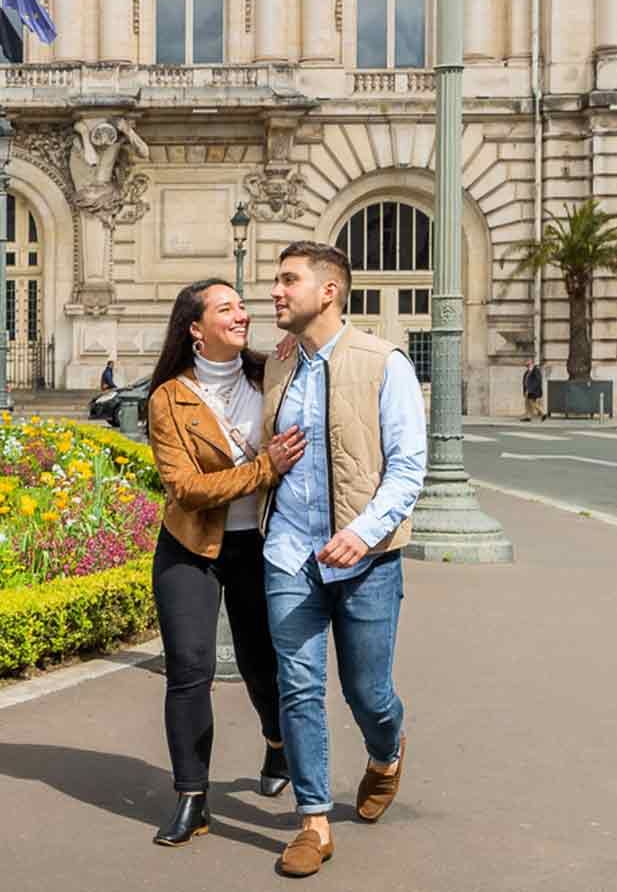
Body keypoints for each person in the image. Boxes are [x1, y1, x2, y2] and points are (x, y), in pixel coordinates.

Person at [262, 241, 426, 878]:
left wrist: (364, 531)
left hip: (368, 559)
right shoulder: (279, 365)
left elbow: (408, 468)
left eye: (287, 281)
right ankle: (313, 822)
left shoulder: (383, 363)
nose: (275, 292)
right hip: (289, 554)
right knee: (298, 688)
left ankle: (386, 754)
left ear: (328, 290)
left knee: (367, 693)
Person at [142, 278, 300, 846]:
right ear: (195, 328)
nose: (242, 314)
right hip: (189, 546)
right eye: (226, 308)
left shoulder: (271, 375)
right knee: (189, 672)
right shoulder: (168, 399)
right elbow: (186, 488)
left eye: (242, 306)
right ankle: (191, 798)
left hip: (258, 545)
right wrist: (264, 469)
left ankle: (278, 747)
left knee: (262, 664)